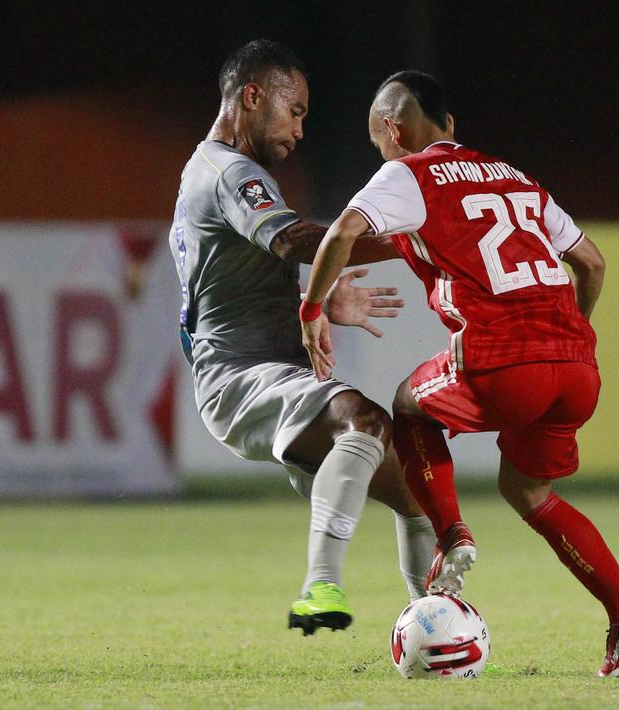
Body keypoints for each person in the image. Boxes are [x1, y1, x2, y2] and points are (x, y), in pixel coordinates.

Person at [298, 71, 619, 676]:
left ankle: (451, 536)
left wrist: (313, 308)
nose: (381, 155)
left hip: (502, 359)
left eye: (378, 143)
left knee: (406, 403)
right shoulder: (517, 178)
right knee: (528, 491)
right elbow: (592, 264)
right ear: (452, 126)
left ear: (393, 130)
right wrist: (565, 334)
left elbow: (343, 232)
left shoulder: (407, 172)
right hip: (577, 368)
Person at [167, 42, 436, 635]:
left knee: (421, 493)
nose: (300, 128)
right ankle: (320, 587)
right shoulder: (230, 172)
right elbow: (292, 242)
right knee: (361, 418)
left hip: (257, 371)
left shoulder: (209, 173)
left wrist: (316, 300)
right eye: (295, 110)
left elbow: (221, 298)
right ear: (253, 96)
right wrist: (403, 236)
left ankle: (440, 630)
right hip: (241, 378)